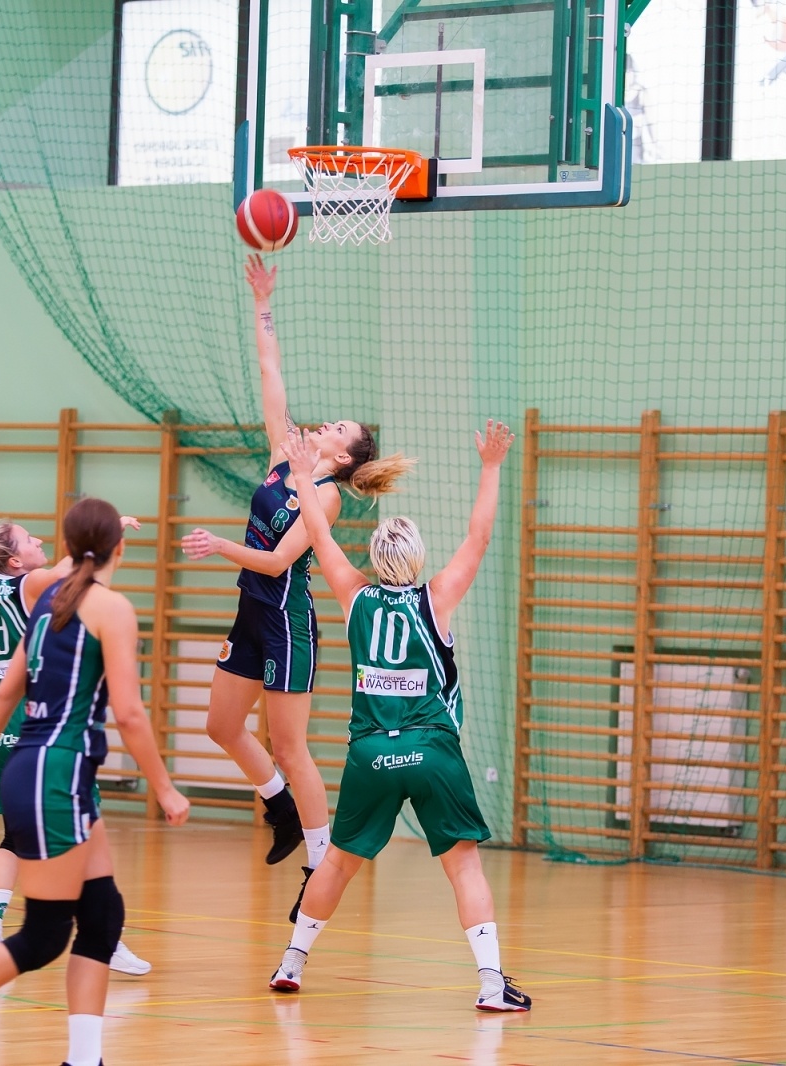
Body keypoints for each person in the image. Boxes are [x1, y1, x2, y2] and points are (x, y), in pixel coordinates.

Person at [0, 497, 191, 1066]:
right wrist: (164, 786)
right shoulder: (111, 608)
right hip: (56, 771)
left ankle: (84, 1058)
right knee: (46, 935)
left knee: (101, 917)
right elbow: (130, 714)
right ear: (119, 549)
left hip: (33, 764)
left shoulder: (47, 600)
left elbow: (4, 693)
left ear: (68, 551)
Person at [265, 424, 532, 1013]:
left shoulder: (353, 594)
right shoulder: (437, 597)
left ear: (373, 557)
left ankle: (291, 963)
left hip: (370, 754)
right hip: (431, 750)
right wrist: (490, 466)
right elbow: (480, 536)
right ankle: (491, 984)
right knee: (463, 867)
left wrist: (308, 475)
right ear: (417, 558)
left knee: (338, 861)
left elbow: (315, 530)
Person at [181, 254, 413, 919]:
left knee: (291, 745)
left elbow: (280, 562)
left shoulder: (328, 499)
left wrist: (223, 545)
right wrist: (263, 301)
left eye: (337, 429)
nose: (323, 424)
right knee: (222, 725)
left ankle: (319, 862)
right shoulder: (285, 458)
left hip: (288, 624)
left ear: (343, 458)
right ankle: (280, 806)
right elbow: (270, 373)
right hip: (252, 618)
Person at [0, 516, 151, 974]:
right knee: (87, 836)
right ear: (13, 560)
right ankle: (108, 939)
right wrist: (105, 530)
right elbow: (75, 566)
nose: (40, 540)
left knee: (13, 839)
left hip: (11, 736)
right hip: (46, 731)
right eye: (30, 539)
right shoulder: (29, 584)